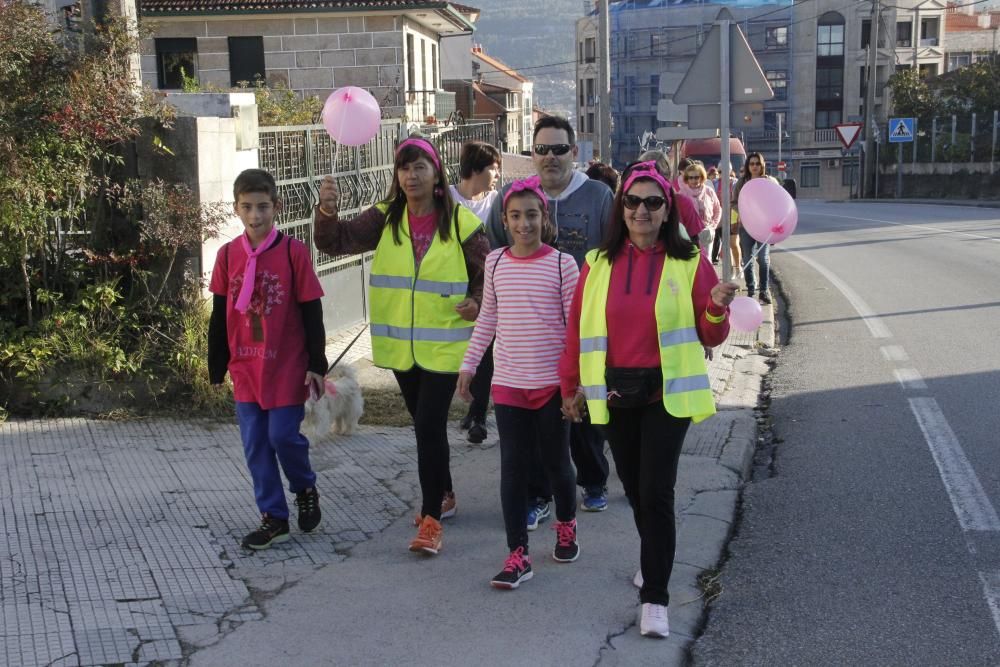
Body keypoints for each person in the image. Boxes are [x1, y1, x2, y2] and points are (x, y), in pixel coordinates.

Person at [559, 161, 737, 638]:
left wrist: (717, 306)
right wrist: (568, 386)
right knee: (635, 488)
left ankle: (654, 595)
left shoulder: (689, 261)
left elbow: (711, 334)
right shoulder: (597, 263)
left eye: (652, 202)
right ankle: (651, 554)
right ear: (622, 207)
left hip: (667, 393)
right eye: (633, 201)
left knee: (657, 491)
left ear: (667, 209)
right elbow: (576, 331)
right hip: (613, 393)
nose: (641, 210)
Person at [314, 137, 490, 556]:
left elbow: (489, 271)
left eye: (420, 167)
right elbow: (335, 241)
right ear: (397, 176)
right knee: (424, 425)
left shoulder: (461, 222)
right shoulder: (384, 217)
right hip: (400, 346)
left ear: (436, 175)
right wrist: (326, 209)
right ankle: (444, 491)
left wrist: (478, 301)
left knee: (428, 426)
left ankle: (431, 519)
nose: (411, 175)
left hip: (445, 346)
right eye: (404, 168)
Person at [485, 115, 613, 523]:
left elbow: (615, 254)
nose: (550, 157)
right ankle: (538, 496)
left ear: (574, 152)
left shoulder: (597, 196)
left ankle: (593, 481)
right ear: (532, 154)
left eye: (559, 149)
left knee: (586, 412)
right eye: (542, 149)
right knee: (541, 428)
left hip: (587, 325)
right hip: (533, 336)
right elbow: (491, 249)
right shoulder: (514, 197)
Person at [458, 176, 581, 589]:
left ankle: (566, 523)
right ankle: (517, 553)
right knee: (511, 468)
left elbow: (573, 331)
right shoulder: (494, 263)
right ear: (505, 220)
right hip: (509, 383)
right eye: (515, 216)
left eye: (531, 215)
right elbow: (487, 320)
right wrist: (469, 366)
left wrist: (572, 385)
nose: (524, 224)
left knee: (556, 463)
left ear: (544, 217)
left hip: (550, 385)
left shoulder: (563, 265)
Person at [208, 168, 328, 551]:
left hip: (285, 365)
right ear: (236, 209)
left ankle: (304, 485)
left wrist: (317, 361)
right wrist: (216, 360)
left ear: (276, 206)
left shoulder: (293, 252)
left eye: (262, 207)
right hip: (246, 366)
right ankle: (273, 517)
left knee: (282, 436)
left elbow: (311, 309)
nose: (255, 215)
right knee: (256, 443)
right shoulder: (228, 255)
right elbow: (220, 310)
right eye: (247, 208)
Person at [449, 140, 502, 446]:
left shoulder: (496, 202)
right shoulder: (449, 198)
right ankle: (469, 407)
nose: (497, 174)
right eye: (494, 168)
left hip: (488, 286)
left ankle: (479, 416)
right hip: (452, 286)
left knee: (484, 350)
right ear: (477, 168)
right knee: (461, 351)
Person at [733, 152, 780, 304]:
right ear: (748, 166)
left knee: (763, 259)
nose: (754, 166)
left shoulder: (769, 181)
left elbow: (777, 202)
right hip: (746, 226)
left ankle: (764, 291)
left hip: (764, 227)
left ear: (762, 165)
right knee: (747, 258)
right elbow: (734, 202)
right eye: (751, 164)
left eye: (757, 164)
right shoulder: (741, 182)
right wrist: (744, 212)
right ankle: (751, 289)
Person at [678, 161, 721, 259]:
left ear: (702, 177)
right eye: (691, 177)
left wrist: (713, 226)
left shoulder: (709, 191)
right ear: (686, 179)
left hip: (706, 233)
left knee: (707, 261)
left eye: (696, 177)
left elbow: (718, 209)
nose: (694, 180)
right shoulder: (681, 194)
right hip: (689, 235)